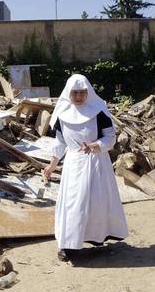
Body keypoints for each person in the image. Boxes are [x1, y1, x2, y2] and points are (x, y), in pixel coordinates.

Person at [42, 74, 128, 263]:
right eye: (75, 93)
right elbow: (60, 142)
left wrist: (96, 145)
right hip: (74, 164)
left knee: (97, 202)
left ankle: (97, 237)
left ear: (88, 92)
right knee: (74, 204)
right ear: (68, 93)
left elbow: (110, 137)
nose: (79, 96)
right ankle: (69, 246)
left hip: (97, 163)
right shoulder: (62, 113)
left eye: (82, 92)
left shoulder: (98, 110)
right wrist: (52, 165)